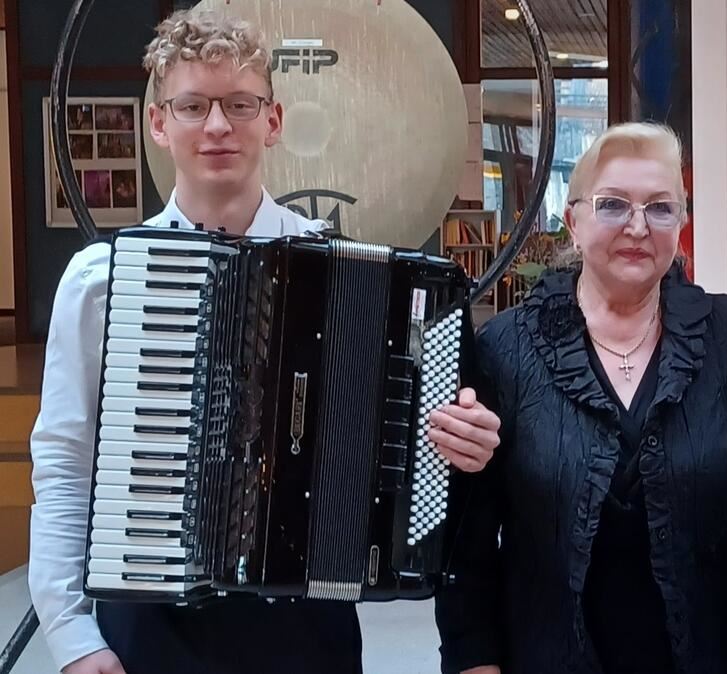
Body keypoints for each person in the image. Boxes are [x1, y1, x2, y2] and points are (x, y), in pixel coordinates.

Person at [28, 10, 500, 674]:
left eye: (239, 104)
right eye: (193, 105)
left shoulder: (350, 276)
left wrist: (458, 444)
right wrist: (72, 637)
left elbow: (409, 450)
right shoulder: (101, 281)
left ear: (273, 120)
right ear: (159, 123)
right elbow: (65, 464)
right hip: (150, 628)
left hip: (307, 628)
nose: (217, 125)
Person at [433, 121, 727, 674]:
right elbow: (466, 551)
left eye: (660, 208)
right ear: (574, 223)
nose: (637, 226)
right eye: (613, 205)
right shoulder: (505, 348)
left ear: (681, 224)